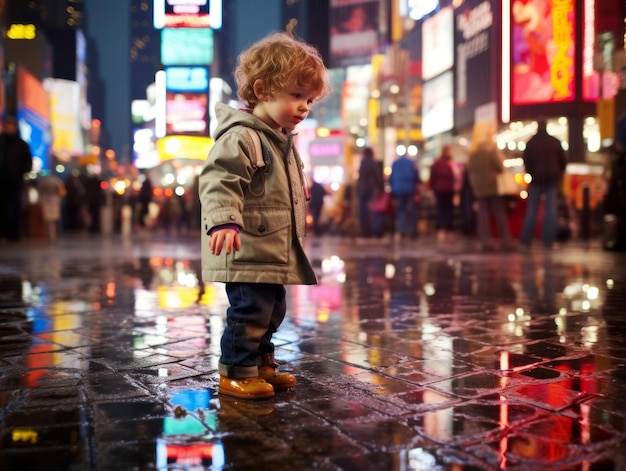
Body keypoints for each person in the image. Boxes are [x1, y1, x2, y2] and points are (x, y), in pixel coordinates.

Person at [198, 32, 330, 400]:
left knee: (272, 312)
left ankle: (261, 365)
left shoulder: (281, 140)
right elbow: (218, 178)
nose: (303, 107)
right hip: (247, 247)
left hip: (273, 248)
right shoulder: (242, 136)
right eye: (295, 95)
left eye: (308, 99)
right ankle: (236, 371)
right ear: (262, 90)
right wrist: (224, 218)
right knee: (249, 312)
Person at [519, 119, 567, 248]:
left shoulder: (531, 142)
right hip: (552, 179)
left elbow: (526, 160)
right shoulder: (555, 142)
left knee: (531, 210)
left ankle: (526, 240)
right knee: (550, 210)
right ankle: (548, 240)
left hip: (535, 179)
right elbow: (563, 161)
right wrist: (559, 173)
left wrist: (531, 172)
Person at [467, 140, 513, 251]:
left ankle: (485, 240)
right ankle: (506, 239)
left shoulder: (473, 155)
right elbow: (499, 167)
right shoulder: (491, 152)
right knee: (499, 212)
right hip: (493, 186)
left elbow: (469, 169)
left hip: (479, 188)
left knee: (482, 215)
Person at [0, 115, 33, 241]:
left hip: (15, 181)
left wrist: (20, 173)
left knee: (15, 207)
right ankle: (3, 232)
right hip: (1, 181)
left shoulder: (21, 144)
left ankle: (14, 233)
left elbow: (27, 163)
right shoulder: (2, 142)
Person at [429, 145, 457, 242]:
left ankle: (441, 229)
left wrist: (432, 188)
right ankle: (449, 229)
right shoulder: (451, 163)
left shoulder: (437, 163)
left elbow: (432, 176)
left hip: (439, 189)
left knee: (440, 209)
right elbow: (455, 177)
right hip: (449, 189)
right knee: (448, 209)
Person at [389, 153, 420, 239]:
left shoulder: (395, 163)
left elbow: (391, 178)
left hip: (398, 190)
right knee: (412, 210)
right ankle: (413, 231)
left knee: (401, 210)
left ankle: (402, 231)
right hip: (410, 189)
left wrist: (393, 191)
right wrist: (417, 190)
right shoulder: (412, 163)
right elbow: (416, 177)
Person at [356, 147, 382, 238]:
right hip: (371, 190)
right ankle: (373, 229)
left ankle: (364, 230)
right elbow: (377, 176)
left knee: (362, 210)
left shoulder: (362, 163)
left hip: (362, 190)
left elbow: (360, 177)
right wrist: (379, 188)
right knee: (372, 209)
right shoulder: (373, 163)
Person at [37, 172, 66, 241]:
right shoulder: (57, 181)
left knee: (47, 219)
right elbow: (62, 191)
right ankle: (53, 235)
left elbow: (39, 190)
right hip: (55, 201)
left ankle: (49, 235)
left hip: (46, 200)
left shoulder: (44, 181)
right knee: (54, 220)